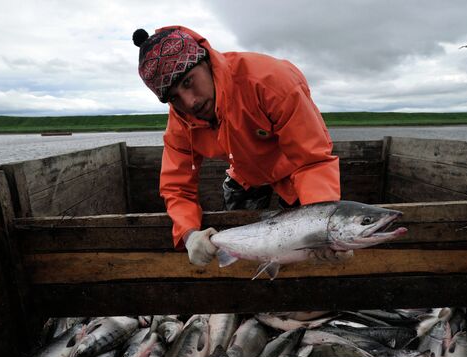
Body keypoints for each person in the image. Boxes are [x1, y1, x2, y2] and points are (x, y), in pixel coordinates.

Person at [132, 26, 342, 266]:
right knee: (239, 243)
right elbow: (176, 187)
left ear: (207, 62)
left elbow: (312, 161)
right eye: (173, 97)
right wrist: (189, 234)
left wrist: (325, 227)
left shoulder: (270, 82)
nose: (189, 102)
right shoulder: (181, 121)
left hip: (293, 171)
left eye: (189, 82)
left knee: (305, 248)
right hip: (243, 173)